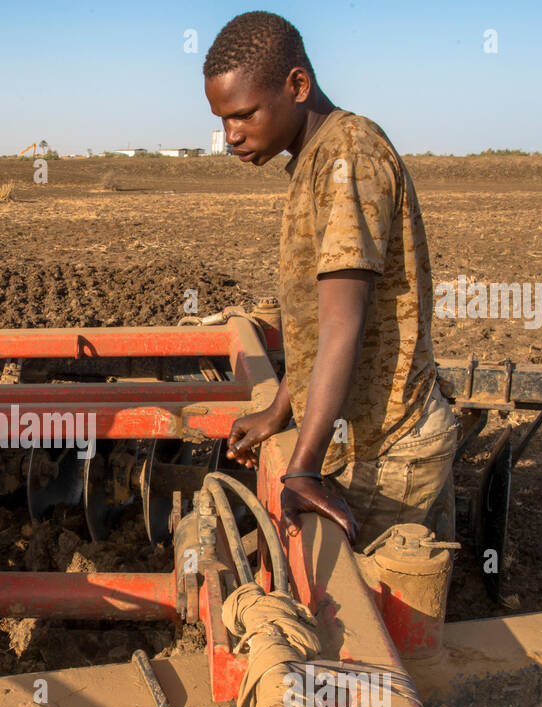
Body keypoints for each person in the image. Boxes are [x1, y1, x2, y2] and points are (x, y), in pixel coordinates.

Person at [207, 12, 458, 548]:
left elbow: (343, 322)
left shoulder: (348, 155)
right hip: (360, 439)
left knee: (367, 617)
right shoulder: (314, 158)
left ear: (297, 85)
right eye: (222, 120)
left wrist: (301, 470)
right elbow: (313, 323)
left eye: (243, 115)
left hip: (387, 451)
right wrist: (280, 409)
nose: (230, 136)